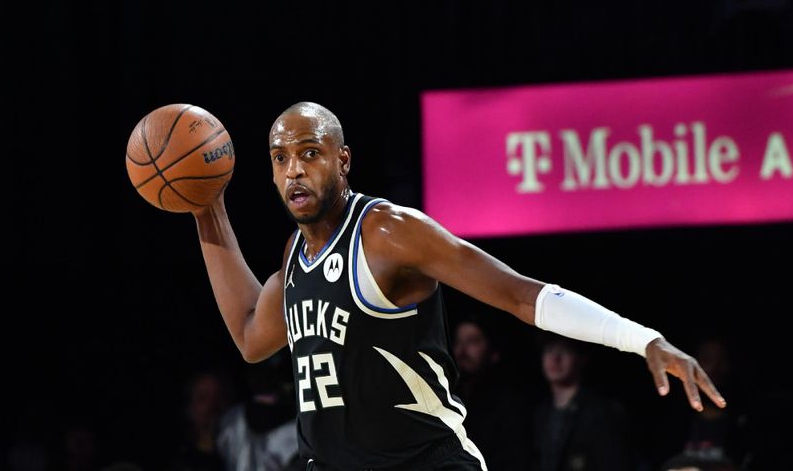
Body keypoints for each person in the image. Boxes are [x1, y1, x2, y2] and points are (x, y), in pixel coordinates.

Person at [190, 101, 726, 470]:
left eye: (310, 153)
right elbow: (249, 336)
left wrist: (641, 338)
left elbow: (519, 292)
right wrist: (206, 207)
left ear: (342, 160)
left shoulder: (387, 232)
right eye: (281, 159)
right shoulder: (296, 254)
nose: (294, 171)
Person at [529, 334, 636, 471]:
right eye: (549, 350)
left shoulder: (601, 413)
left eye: (564, 351)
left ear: (582, 358)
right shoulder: (540, 413)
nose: (555, 359)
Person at [451, 314, 530, 470]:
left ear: (494, 352)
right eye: (457, 342)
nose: (460, 352)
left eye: (472, 342)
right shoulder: (447, 397)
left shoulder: (510, 405)